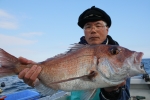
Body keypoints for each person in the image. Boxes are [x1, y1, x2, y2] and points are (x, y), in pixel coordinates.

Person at [18, 6, 130, 100]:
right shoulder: (73, 54)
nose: (93, 30)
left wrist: (112, 91)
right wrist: (37, 79)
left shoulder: (121, 57)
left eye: (98, 25)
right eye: (88, 26)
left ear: (107, 29)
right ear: (84, 31)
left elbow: (125, 97)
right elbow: (58, 79)